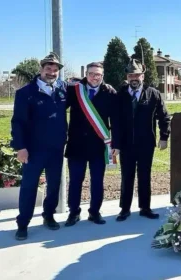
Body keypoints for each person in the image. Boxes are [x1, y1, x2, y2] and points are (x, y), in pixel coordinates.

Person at [10, 52, 68, 240]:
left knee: (53, 185)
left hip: (56, 149)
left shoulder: (63, 90)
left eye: (55, 70)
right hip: (33, 150)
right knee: (29, 186)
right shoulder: (25, 93)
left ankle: (48, 215)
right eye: (48, 69)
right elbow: (17, 122)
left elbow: (85, 89)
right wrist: (20, 147)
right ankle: (23, 223)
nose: (52, 72)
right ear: (41, 69)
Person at [64, 62, 120, 226]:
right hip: (76, 145)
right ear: (86, 74)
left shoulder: (109, 92)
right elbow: (59, 109)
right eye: (92, 74)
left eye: (98, 74)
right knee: (75, 181)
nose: (95, 77)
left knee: (97, 181)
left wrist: (115, 143)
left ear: (103, 76)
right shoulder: (74, 90)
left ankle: (94, 212)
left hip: (98, 147)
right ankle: (73, 213)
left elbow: (115, 120)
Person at [116, 58, 170, 221]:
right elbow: (116, 121)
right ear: (127, 76)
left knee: (145, 176)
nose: (134, 78)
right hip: (126, 144)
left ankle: (145, 208)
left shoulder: (153, 93)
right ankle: (124, 209)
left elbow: (164, 117)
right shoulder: (121, 94)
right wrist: (116, 144)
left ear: (142, 76)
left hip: (146, 143)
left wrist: (164, 137)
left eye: (137, 75)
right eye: (131, 75)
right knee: (127, 176)